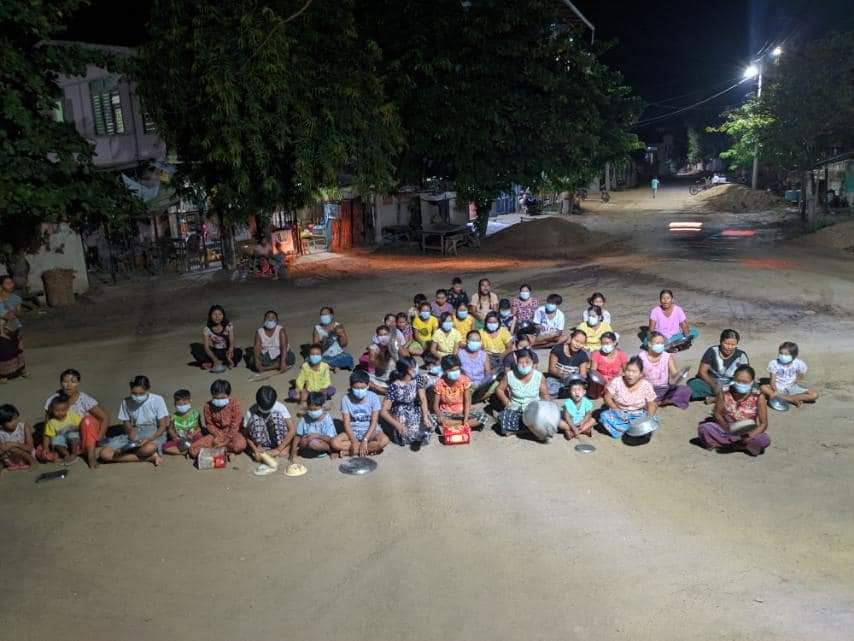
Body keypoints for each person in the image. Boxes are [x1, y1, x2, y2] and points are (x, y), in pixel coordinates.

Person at [698, 365, 770, 456]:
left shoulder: (759, 397)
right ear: (733, 380)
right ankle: (738, 445)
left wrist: (749, 436)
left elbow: (763, 424)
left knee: (764, 439)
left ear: (752, 382)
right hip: (727, 429)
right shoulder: (724, 392)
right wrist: (728, 428)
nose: (741, 384)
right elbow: (717, 414)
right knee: (704, 428)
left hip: (748, 432)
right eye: (738, 381)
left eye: (745, 382)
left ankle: (736, 444)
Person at [44, 368, 110, 465]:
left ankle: (91, 456)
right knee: (45, 453)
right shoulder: (53, 400)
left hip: (85, 435)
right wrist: (46, 448)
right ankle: (69, 453)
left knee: (87, 420)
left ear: (78, 383)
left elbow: (105, 418)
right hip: (64, 439)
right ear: (61, 383)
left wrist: (98, 439)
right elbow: (47, 425)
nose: (68, 385)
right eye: (65, 381)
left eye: (73, 381)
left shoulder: (84, 399)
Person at [101, 375, 169, 465]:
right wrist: (130, 431)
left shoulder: (157, 400)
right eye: (134, 393)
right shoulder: (126, 401)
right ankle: (150, 457)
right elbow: (126, 422)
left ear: (148, 389)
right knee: (104, 454)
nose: (137, 396)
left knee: (147, 449)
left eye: (141, 393)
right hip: (136, 432)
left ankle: (133, 453)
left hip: (154, 433)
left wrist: (149, 439)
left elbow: (162, 426)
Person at [332, 369, 389, 456]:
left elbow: (374, 422)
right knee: (335, 443)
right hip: (353, 431)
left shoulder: (373, 397)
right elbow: (346, 423)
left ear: (368, 386)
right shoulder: (346, 399)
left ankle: (349, 452)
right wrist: (354, 441)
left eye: (362, 388)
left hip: (370, 431)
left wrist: (365, 440)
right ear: (351, 387)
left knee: (384, 440)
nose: (359, 390)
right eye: (356, 388)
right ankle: (369, 449)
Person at [600, 357, 658, 439]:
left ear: (640, 374)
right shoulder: (617, 381)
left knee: (651, 420)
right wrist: (616, 409)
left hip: (638, 414)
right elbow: (607, 397)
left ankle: (634, 431)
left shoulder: (646, 385)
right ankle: (627, 431)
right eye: (628, 371)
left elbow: (652, 403)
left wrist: (648, 418)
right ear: (624, 371)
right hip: (620, 413)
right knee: (604, 416)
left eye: (634, 372)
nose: (630, 374)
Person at [494, 349, 549, 435]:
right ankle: (525, 429)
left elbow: (545, 395)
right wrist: (507, 402)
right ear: (516, 362)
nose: (524, 365)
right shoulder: (510, 375)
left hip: (533, 408)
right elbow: (499, 389)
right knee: (503, 419)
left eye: (527, 362)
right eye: (521, 362)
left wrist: (546, 409)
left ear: (532, 362)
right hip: (516, 408)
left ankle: (525, 428)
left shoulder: (539, 376)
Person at [189, 379, 246, 458]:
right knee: (193, 449)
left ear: (228, 395)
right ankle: (225, 451)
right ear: (212, 396)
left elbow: (235, 424)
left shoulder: (234, 403)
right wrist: (217, 436)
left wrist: (226, 441)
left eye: (222, 397)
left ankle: (221, 450)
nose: (219, 400)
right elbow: (209, 424)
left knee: (240, 445)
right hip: (217, 434)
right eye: (216, 398)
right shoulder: (207, 406)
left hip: (232, 433)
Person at [381, 357, 432, 446]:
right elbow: (383, 411)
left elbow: (423, 399)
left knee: (429, 423)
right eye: (414, 367)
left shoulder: (418, 379)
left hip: (413, 407)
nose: (416, 369)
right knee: (407, 434)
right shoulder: (395, 386)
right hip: (400, 411)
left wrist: (425, 416)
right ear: (407, 370)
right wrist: (398, 425)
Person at [688, 329, 749, 403]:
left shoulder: (741, 356)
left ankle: (716, 399)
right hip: (712, 382)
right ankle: (725, 397)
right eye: (726, 344)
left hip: (731, 384)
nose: (729, 347)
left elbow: (745, 375)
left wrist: (734, 385)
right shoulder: (712, 351)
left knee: (751, 387)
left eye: (733, 345)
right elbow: (702, 372)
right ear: (721, 341)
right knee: (693, 384)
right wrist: (714, 385)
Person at [432, 355, 487, 430]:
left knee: (483, 417)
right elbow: (435, 405)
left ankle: (451, 424)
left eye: (457, 369)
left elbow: (467, 401)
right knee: (432, 418)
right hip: (446, 412)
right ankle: (462, 425)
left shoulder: (464, 380)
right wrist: (440, 415)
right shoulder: (439, 383)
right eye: (452, 370)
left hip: (462, 411)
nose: (456, 372)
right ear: (445, 371)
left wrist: (465, 418)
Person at [244, 386, 294, 467]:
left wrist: (279, 448)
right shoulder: (251, 411)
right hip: (261, 445)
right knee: (255, 418)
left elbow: (292, 429)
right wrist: (255, 449)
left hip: (278, 442)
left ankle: (280, 448)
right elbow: (246, 434)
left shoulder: (280, 407)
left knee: (276, 416)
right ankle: (264, 450)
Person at [639, 332, 692, 409]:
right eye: (657, 343)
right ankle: (658, 402)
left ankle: (659, 403)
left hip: (663, 389)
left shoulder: (667, 357)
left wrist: (680, 374)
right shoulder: (641, 357)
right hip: (646, 389)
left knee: (686, 390)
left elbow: (674, 374)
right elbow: (636, 376)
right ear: (650, 344)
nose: (660, 345)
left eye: (662, 343)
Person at [760, 341, 818, 407]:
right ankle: (791, 400)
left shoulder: (798, 363)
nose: (782, 356)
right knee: (763, 387)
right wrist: (776, 390)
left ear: (793, 356)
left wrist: (796, 379)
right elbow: (772, 381)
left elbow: (801, 373)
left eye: (786, 354)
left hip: (792, 387)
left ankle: (784, 398)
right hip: (778, 387)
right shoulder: (774, 363)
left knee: (814, 395)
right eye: (781, 353)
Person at [191, 305, 242, 370]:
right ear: (210, 316)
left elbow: (231, 341)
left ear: (223, 315)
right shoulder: (207, 329)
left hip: (227, 350)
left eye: (220, 314)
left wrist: (230, 349)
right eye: (214, 314)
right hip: (216, 351)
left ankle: (223, 362)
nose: (217, 317)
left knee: (238, 352)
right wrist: (215, 360)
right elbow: (206, 347)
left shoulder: (228, 325)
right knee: (199, 353)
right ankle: (219, 362)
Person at [292, 392, 339, 459]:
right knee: (303, 441)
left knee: (313, 443)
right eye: (310, 409)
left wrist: (317, 436)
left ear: (322, 407)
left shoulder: (326, 419)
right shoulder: (305, 418)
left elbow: (331, 439)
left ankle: (331, 450)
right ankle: (306, 451)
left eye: (315, 409)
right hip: (308, 442)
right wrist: (292, 451)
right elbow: (298, 436)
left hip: (322, 442)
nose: (312, 412)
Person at [40, 394, 84, 465]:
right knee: (55, 440)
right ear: (52, 410)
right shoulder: (52, 422)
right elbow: (47, 436)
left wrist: (76, 428)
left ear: (67, 409)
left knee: (72, 435)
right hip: (62, 442)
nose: (60, 413)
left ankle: (74, 453)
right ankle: (66, 454)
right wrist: (45, 447)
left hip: (74, 440)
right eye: (57, 411)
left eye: (63, 410)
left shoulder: (72, 416)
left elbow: (82, 425)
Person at [546, 329, 590, 397]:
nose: (578, 345)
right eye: (576, 341)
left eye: (581, 343)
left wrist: (579, 379)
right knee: (548, 392)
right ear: (570, 338)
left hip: (573, 382)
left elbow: (583, 374)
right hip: (555, 379)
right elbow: (551, 369)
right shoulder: (557, 349)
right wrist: (562, 375)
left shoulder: (583, 355)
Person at [0, 274, 26, 382]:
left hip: (14, 325)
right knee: (3, 350)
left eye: (12, 283)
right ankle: (3, 375)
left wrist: (15, 313)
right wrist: (4, 315)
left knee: (17, 348)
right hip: (2, 327)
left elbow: (19, 313)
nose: (11, 285)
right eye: (7, 283)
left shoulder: (16, 298)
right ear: (1, 286)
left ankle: (21, 369)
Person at [163, 389, 203, 455]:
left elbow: (199, 428)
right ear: (175, 404)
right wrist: (175, 437)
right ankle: (187, 451)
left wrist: (192, 435)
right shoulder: (174, 417)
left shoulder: (195, 414)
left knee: (200, 438)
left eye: (185, 404)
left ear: (190, 401)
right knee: (165, 447)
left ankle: (190, 448)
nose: (182, 406)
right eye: (179, 404)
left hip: (193, 437)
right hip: (180, 439)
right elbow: (170, 429)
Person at [0, 404, 35, 470]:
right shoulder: (1, 433)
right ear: (2, 423)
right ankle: (13, 465)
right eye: (10, 421)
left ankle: (33, 462)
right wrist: (3, 449)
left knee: (13, 449)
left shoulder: (24, 427)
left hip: (27, 455)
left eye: (15, 419)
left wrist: (13, 444)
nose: (14, 422)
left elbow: (30, 448)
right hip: (10, 459)